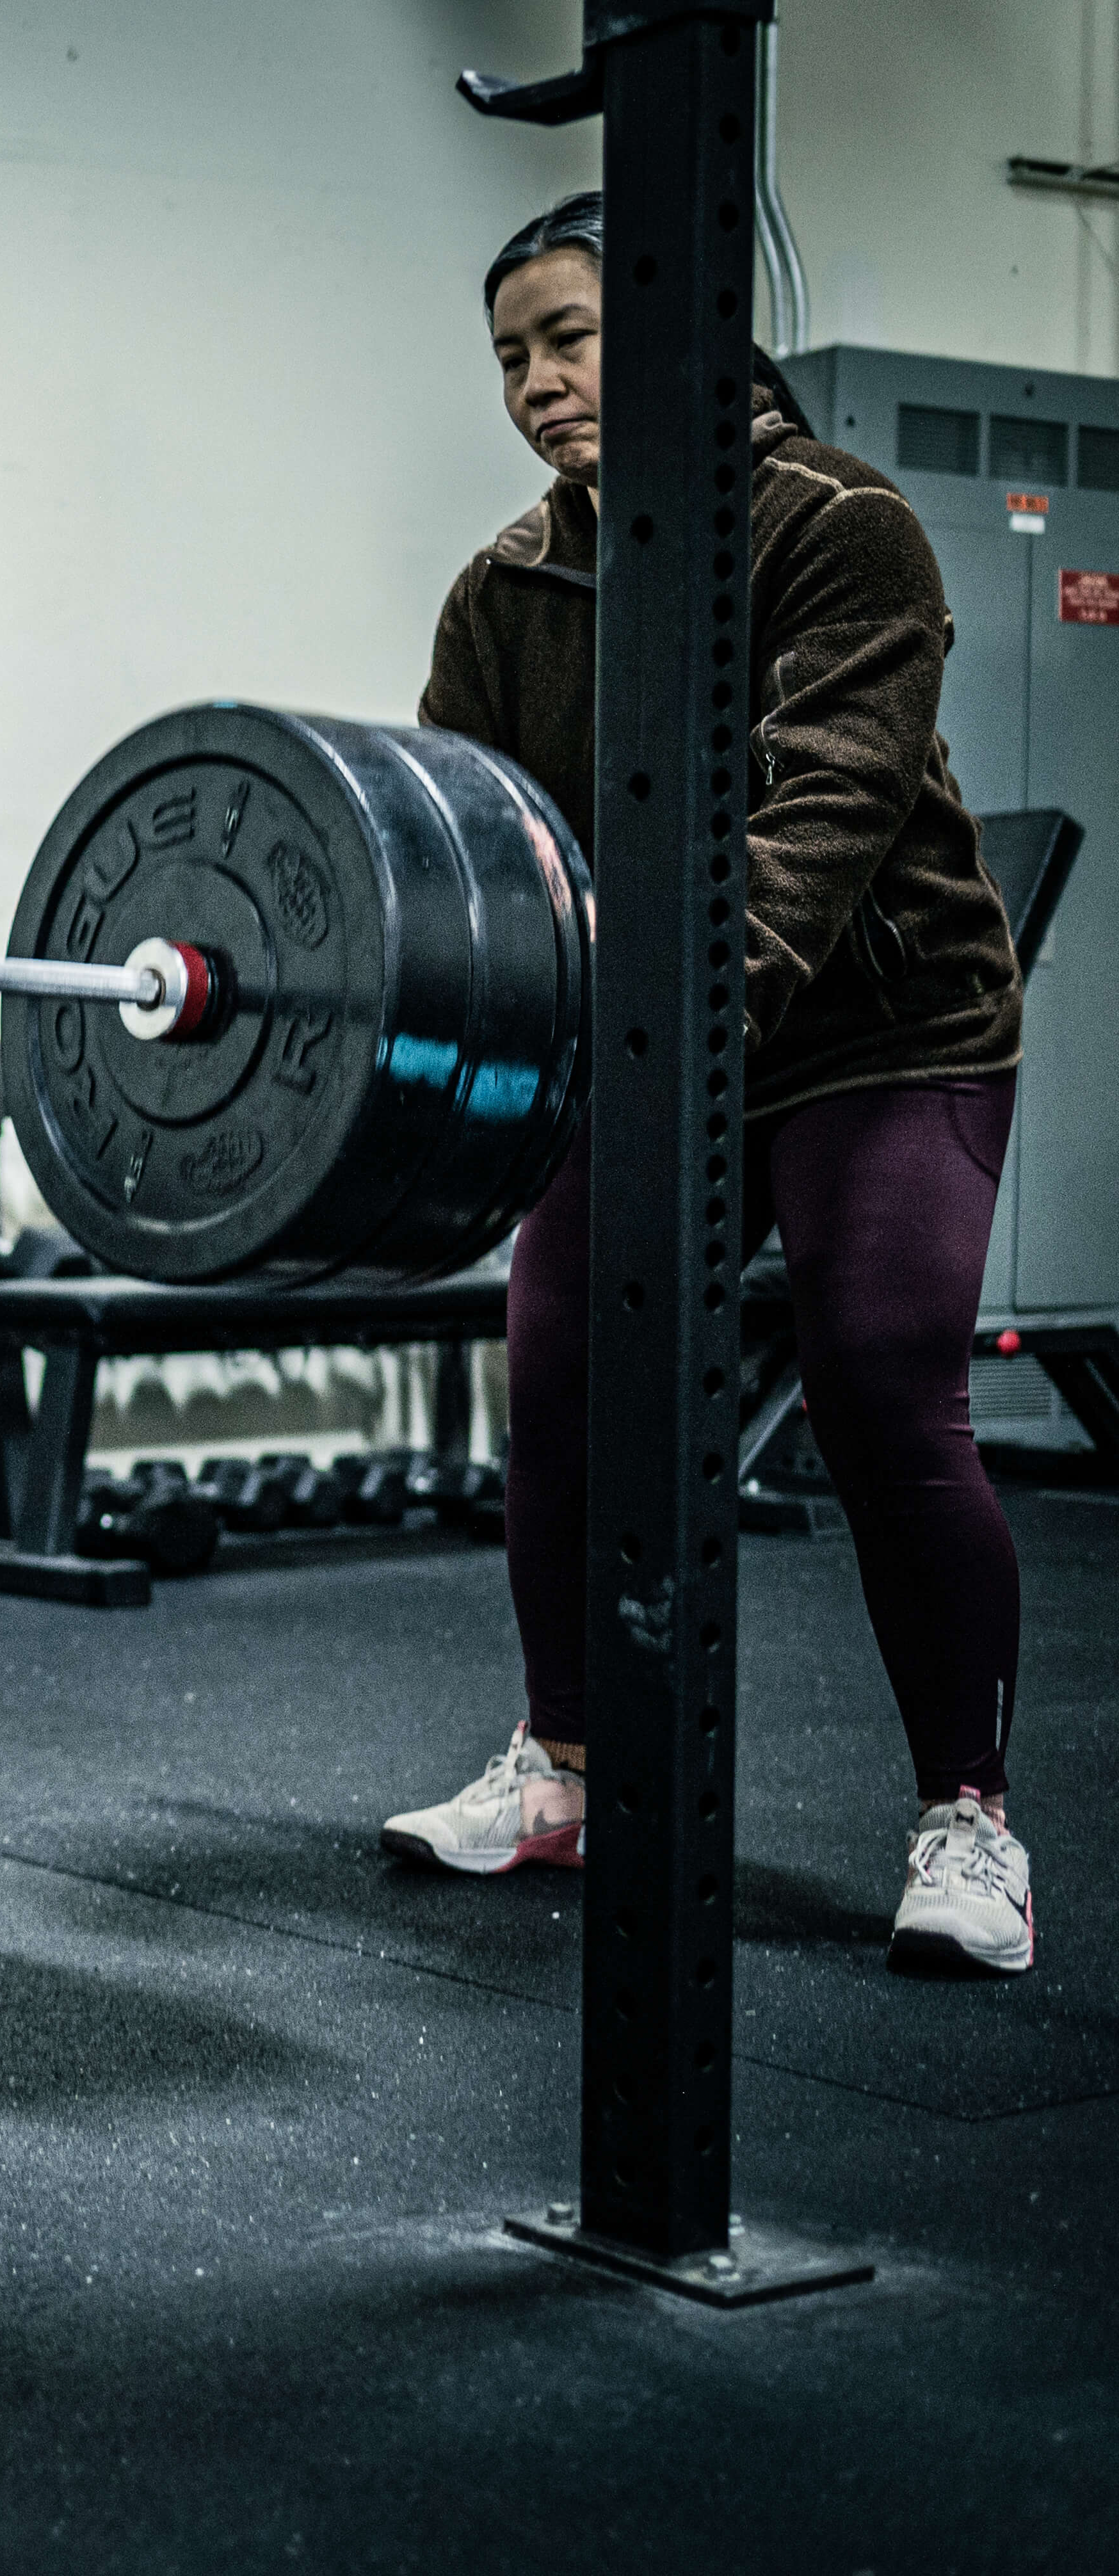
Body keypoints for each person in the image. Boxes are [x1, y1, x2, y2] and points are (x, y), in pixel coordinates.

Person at [380, 193, 1035, 1976]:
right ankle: (568, 1766)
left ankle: (970, 1818)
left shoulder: (842, 530)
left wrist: (654, 1028)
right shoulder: (507, 591)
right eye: (509, 356)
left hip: (882, 1023)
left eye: (569, 338)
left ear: (682, 326)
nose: (534, 383)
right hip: (653, 1026)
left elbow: (818, 817)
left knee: (879, 1374)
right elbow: (469, 849)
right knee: (560, 1356)